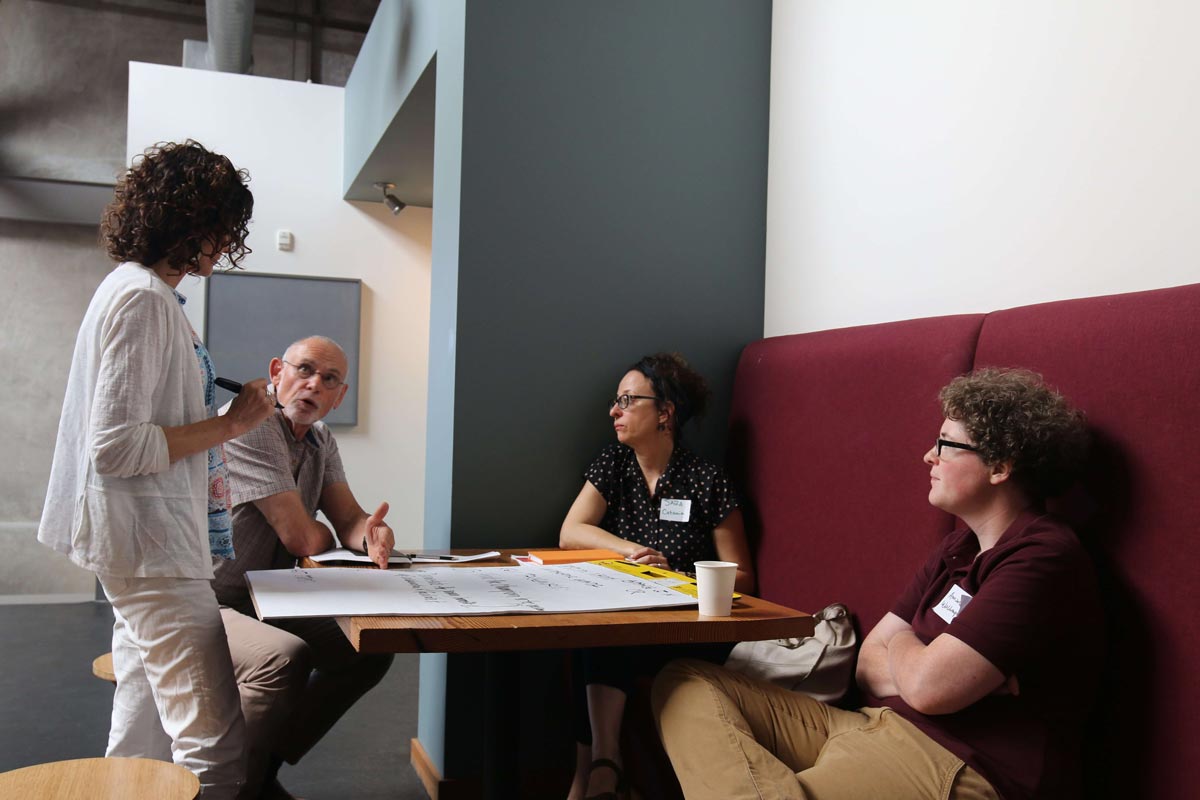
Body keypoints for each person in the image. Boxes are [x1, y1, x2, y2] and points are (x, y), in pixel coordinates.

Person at [652, 368, 1103, 800]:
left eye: (946, 444)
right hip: (870, 724)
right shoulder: (957, 549)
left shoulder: (1042, 556)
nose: (930, 456)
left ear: (1000, 466)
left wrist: (907, 647)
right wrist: (926, 661)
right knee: (684, 680)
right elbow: (868, 663)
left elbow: (930, 689)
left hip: (956, 763)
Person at [38, 140, 276, 798]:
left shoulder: (136, 292)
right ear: (196, 222)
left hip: (142, 544)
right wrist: (234, 423)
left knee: (139, 730)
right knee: (215, 744)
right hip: (152, 550)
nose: (224, 247)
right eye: (223, 230)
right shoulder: (144, 300)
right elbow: (113, 445)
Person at [559, 352, 755, 800]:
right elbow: (571, 532)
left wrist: (680, 578)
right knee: (592, 631)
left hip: (686, 627)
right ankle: (599, 770)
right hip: (628, 618)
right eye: (616, 400)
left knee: (606, 637)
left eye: (627, 400)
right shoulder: (614, 464)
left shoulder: (708, 481)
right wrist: (632, 552)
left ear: (664, 412)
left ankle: (595, 774)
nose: (614, 411)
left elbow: (744, 577)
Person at [212, 335, 396, 800]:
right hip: (210, 598)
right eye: (304, 370)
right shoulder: (252, 427)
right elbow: (301, 537)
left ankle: (262, 766)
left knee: (367, 647)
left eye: (329, 379)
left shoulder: (320, 437)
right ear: (277, 373)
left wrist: (372, 536)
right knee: (286, 657)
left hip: (269, 594)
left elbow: (349, 518)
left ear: (339, 396)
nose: (313, 384)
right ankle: (237, 787)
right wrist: (333, 535)